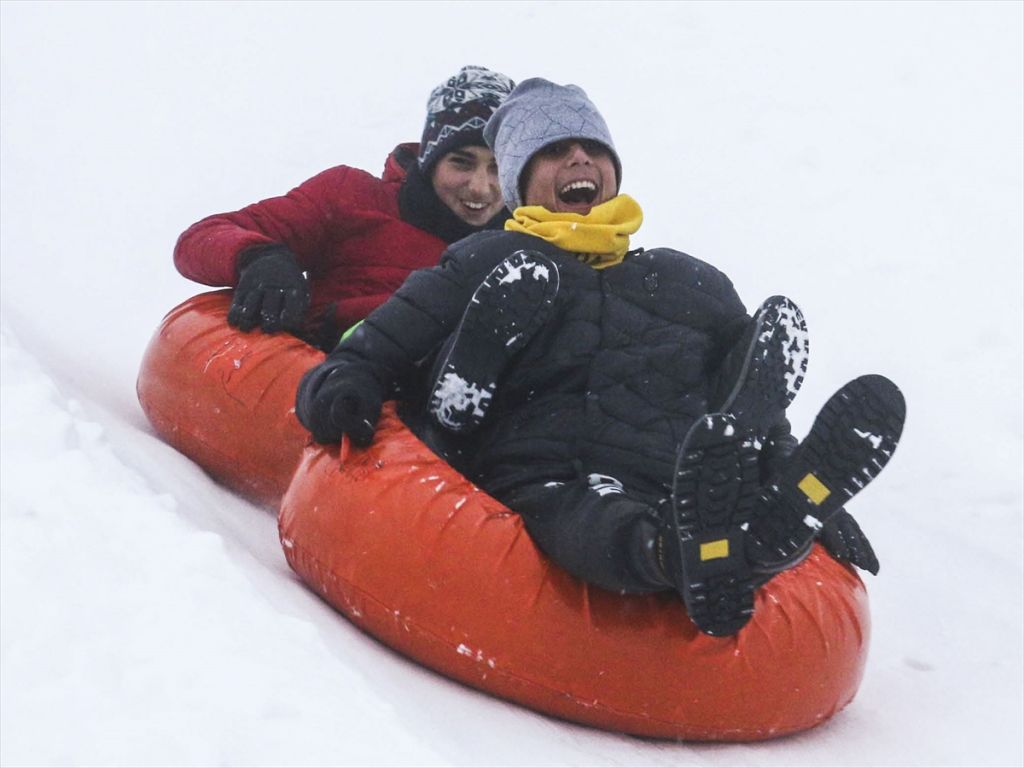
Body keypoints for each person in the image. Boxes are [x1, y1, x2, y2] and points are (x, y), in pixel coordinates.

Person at [293, 79, 906, 636]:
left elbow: (754, 408)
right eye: (555, 151)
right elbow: (375, 347)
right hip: (541, 466)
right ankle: (466, 400)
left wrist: (802, 485)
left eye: (593, 149)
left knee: (708, 477)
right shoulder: (484, 257)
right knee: (587, 508)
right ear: (520, 181)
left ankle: (770, 526)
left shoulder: (691, 282)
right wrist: (345, 385)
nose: (579, 159)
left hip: (681, 473)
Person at [173, 65, 515, 350]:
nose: (480, 186)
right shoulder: (350, 198)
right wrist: (259, 258)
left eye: (497, 168)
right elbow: (200, 239)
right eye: (461, 163)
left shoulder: (526, 242)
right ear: (430, 161)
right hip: (329, 384)